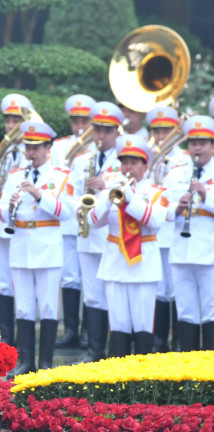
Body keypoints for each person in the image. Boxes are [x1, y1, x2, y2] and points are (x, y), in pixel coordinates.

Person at [0, 121, 72, 376]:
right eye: (28, 147)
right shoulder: (14, 176)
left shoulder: (61, 176)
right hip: (21, 246)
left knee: (49, 307)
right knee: (24, 307)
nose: (31, 153)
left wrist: (40, 196)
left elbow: (68, 211)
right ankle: (26, 362)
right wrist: (8, 207)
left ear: (47, 148)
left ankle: (46, 363)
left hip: (48, 246)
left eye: (36, 147)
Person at [87, 135, 167, 356]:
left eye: (134, 162)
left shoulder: (156, 192)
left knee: (142, 324)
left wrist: (131, 198)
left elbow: (156, 221)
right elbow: (93, 222)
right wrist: (106, 196)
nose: (128, 167)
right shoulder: (111, 191)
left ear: (145, 165)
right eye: (125, 162)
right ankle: (117, 382)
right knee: (118, 324)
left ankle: (142, 382)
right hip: (115, 264)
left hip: (143, 265)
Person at [69, 101, 124, 363]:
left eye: (106, 131)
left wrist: (106, 184)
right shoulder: (82, 160)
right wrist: (79, 208)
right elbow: (70, 194)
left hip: (112, 236)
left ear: (116, 132)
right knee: (91, 293)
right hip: (87, 232)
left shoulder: (124, 160)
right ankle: (94, 349)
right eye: (97, 130)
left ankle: (115, 350)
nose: (100, 136)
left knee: (111, 292)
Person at [0, 93, 34, 347]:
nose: (12, 125)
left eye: (17, 120)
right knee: (2, 282)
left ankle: (22, 341)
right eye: (9, 120)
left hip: (23, 225)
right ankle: (5, 338)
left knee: (19, 282)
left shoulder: (32, 152)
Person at [164, 115, 214, 351]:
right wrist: (177, 207)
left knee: (211, 309)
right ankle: (188, 371)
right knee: (185, 310)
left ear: (212, 146)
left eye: (202, 142)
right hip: (181, 251)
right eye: (193, 142)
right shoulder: (176, 173)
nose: (196, 147)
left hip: (209, 252)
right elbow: (161, 206)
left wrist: (206, 195)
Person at [51, 94, 95, 351]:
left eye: (84, 120)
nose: (80, 125)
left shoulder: (100, 149)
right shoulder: (59, 147)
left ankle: (90, 332)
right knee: (70, 277)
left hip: (92, 219)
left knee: (90, 279)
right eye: (75, 119)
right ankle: (70, 330)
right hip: (69, 221)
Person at [145, 106, 190, 353]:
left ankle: (180, 342)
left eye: (166, 130)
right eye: (157, 130)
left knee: (176, 288)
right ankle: (159, 341)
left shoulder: (184, 159)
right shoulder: (147, 155)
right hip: (154, 230)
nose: (161, 135)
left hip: (175, 230)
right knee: (159, 289)